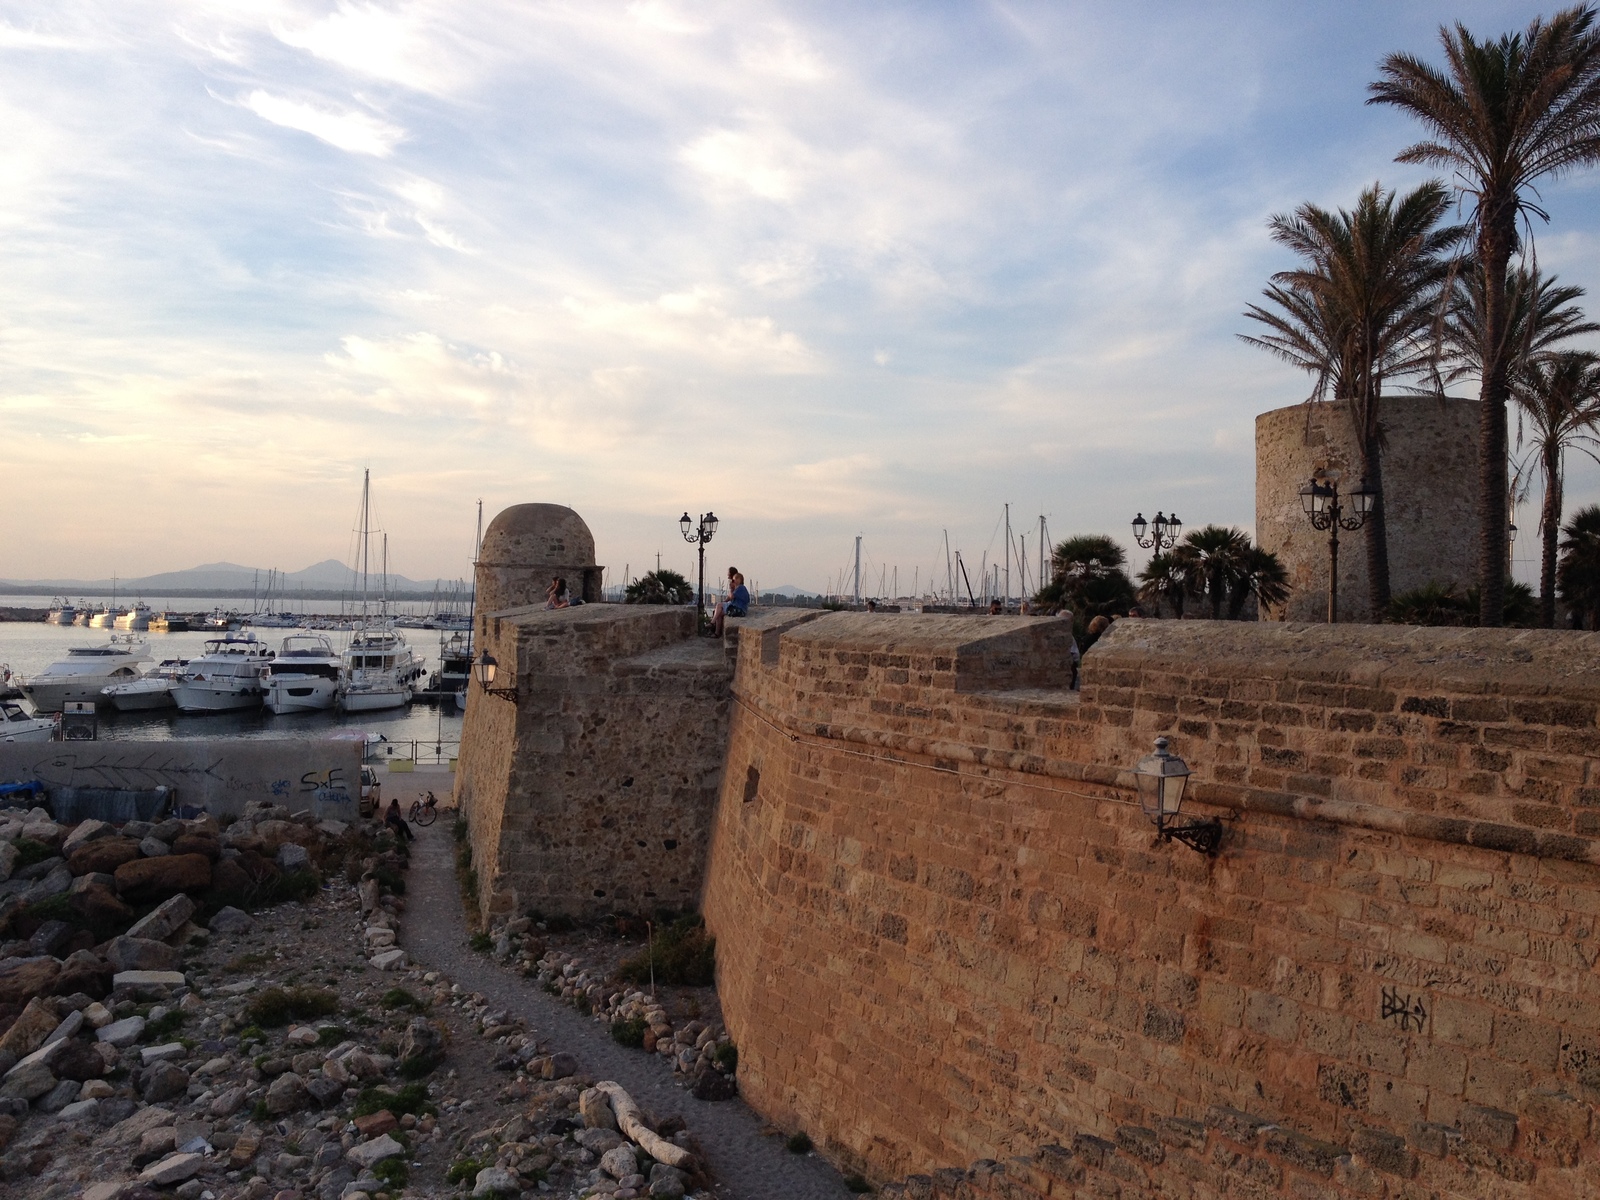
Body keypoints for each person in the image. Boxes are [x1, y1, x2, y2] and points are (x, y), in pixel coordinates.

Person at [713, 571, 750, 637]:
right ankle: (717, 633)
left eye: (734, 579)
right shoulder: (739, 588)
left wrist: (731, 588)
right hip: (739, 609)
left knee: (719, 605)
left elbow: (731, 596)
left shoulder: (740, 587)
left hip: (738, 609)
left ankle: (712, 622)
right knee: (719, 614)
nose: (732, 581)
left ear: (739, 580)